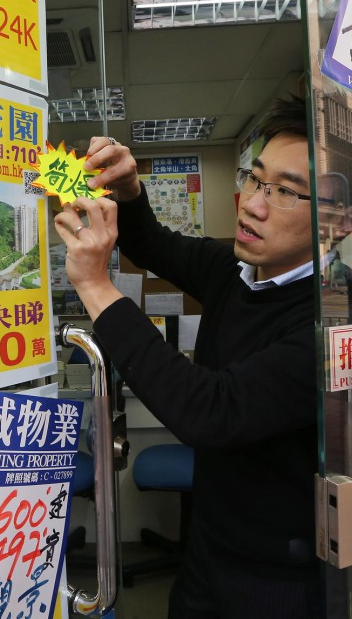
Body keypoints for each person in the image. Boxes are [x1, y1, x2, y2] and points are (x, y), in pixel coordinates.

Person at [53, 95, 326, 618]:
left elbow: (210, 411)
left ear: (343, 216)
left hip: (278, 575)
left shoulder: (326, 322)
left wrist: (93, 284)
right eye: (255, 178)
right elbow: (154, 243)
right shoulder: (234, 269)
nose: (253, 203)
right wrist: (129, 190)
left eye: (286, 192)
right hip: (207, 546)